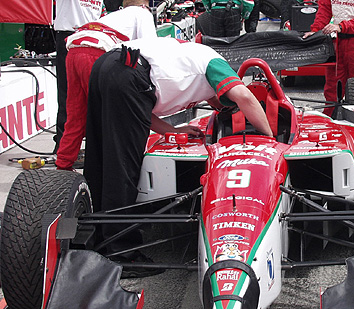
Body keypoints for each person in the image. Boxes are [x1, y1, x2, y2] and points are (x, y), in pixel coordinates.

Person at [83, 38, 273, 260]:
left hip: (107, 65)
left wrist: (171, 130)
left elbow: (142, 113)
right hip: (130, 73)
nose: (219, 107)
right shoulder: (215, 63)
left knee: (101, 156)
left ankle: (93, 233)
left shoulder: (189, 56)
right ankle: (121, 253)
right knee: (123, 165)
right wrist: (268, 136)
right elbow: (245, 97)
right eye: (224, 105)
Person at [55, 0, 157, 171]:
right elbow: (152, 49)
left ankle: (63, 165)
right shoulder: (142, 13)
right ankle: (112, 170)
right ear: (144, 4)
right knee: (111, 115)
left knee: (76, 114)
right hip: (97, 51)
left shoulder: (115, 15)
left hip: (73, 49)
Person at [302, 0, 354, 117]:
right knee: (332, 87)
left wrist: (342, 26)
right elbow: (325, 10)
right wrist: (315, 31)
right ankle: (329, 119)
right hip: (338, 40)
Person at [53, 0, 106, 153]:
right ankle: (63, 147)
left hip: (94, 39)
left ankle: (94, 149)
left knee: (95, 97)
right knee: (69, 97)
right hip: (70, 36)